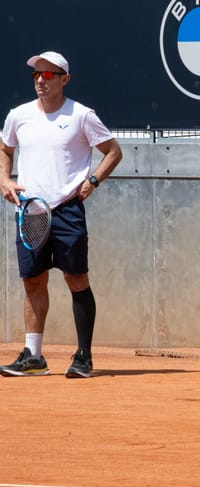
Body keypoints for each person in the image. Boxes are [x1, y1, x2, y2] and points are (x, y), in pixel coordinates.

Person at [0, 51, 122, 378]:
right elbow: (4, 148)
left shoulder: (82, 116)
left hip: (67, 209)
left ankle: (83, 357)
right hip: (31, 211)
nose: (41, 80)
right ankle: (33, 357)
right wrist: (4, 179)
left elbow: (113, 151)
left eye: (49, 75)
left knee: (76, 278)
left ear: (64, 79)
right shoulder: (18, 115)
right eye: (36, 75)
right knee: (33, 282)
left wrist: (93, 180)